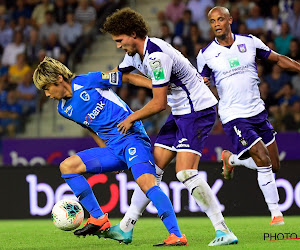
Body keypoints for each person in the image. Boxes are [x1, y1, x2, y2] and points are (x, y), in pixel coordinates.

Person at [99, 7, 238, 247]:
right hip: (180, 111)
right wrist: (85, 84)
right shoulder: (133, 56)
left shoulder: (156, 55)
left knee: (185, 172)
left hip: (197, 110)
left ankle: (224, 231)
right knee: (152, 171)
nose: (119, 46)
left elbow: (158, 102)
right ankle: (125, 227)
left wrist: (132, 118)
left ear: (133, 34)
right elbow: (117, 75)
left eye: (120, 41)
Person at [33, 57, 188, 246]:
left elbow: (127, 77)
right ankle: (98, 218)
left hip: (132, 138)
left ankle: (176, 234)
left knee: (147, 184)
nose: (47, 94)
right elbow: (90, 127)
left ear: (58, 78)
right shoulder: (64, 109)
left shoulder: (89, 81)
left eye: (47, 88)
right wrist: (105, 150)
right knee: (67, 166)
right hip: (113, 149)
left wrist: (157, 87)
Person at [196, 6, 300, 226]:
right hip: (234, 116)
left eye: (220, 19)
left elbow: (278, 59)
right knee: (262, 159)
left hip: (257, 112)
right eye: (212, 21)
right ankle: (276, 215)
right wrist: (203, 85)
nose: (216, 24)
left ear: (230, 20)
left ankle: (231, 159)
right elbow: (201, 85)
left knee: (273, 165)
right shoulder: (205, 55)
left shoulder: (250, 42)